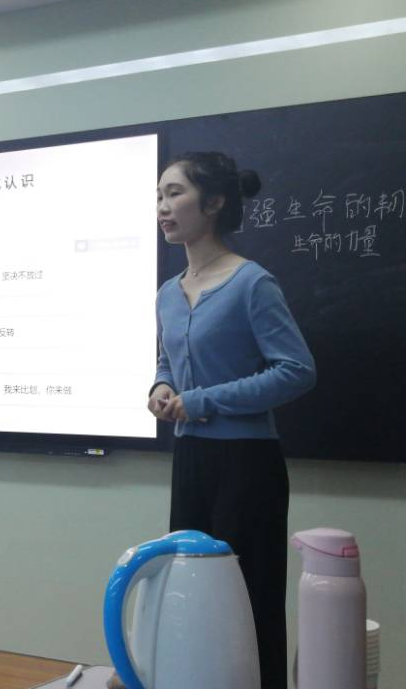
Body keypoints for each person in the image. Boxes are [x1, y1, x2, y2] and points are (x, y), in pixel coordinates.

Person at [109, 152, 316, 689]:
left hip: (247, 463)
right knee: (190, 590)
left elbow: (296, 371)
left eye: (175, 193)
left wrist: (202, 400)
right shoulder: (167, 293)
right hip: (192, 459)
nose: (162, 207)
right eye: (159, 195)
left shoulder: (252, 283)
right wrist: (160, 387)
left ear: (215, 202)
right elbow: (167, 362)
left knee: (249, 598)